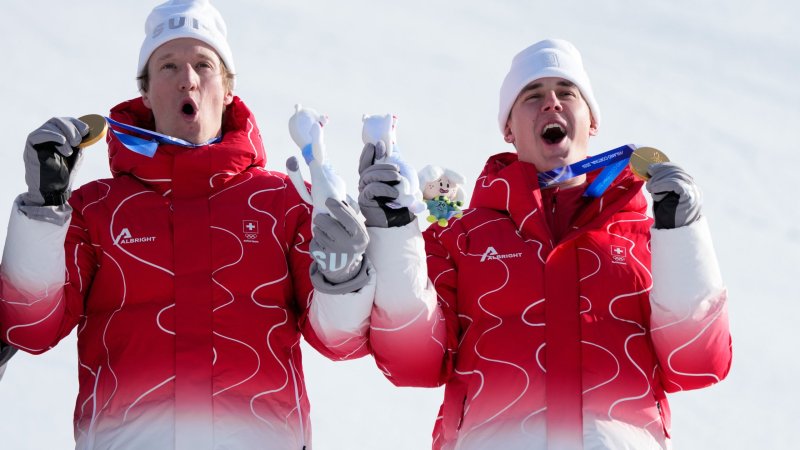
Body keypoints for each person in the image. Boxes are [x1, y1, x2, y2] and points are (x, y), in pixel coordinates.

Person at [0, 1, 373, 448]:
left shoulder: (284, 201)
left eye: (204, 64)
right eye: (169, 64)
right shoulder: (94, 208)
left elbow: (340, 340)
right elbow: (31, 327)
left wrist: (344, 278)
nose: (188, 78)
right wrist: (42, 211)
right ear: (145, 91)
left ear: (229, 88)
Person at [350, 39, 732, 449]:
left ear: (592, 121)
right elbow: (412, 362)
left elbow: (697, 364)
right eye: (532, 95)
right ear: (509, 129)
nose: (551, 102)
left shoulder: (645, 234)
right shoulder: (461, 238)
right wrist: (393, 233)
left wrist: (683, 232)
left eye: (567, 92)